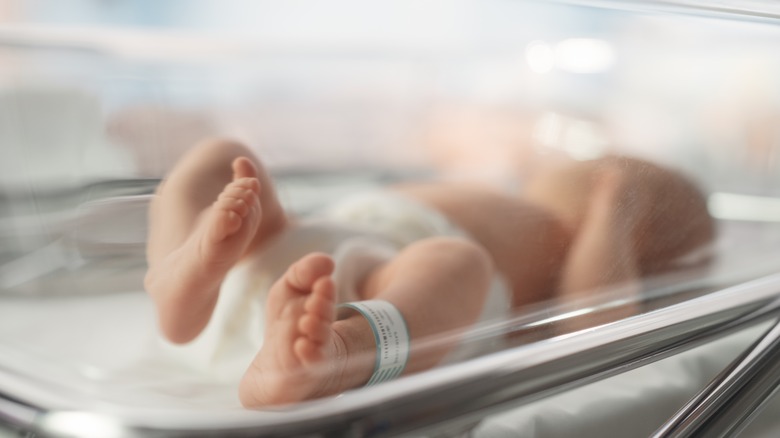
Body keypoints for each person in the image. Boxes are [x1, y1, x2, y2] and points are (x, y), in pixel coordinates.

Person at [143, 138, 714, 407]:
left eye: (606, 170)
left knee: (455, 262)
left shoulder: (575, 245)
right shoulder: (509, 197)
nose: (590, 166)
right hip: (286, 252)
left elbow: (593, 322)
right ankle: (183, 275)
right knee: (223, 158)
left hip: (372, 296)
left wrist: (613, 211)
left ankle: (343, 351)